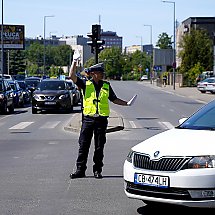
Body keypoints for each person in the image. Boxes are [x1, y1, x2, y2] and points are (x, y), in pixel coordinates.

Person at [69, 50, 135, 179]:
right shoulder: (85, 84)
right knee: (83, 145)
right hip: (88, 120)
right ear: (94, 74)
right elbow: (72, 75)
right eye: (100, 73)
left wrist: (127, 104)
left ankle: (97, 170)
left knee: (99, 147)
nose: (103, 74)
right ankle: (80, 170)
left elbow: (114, 99)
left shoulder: (106, 85)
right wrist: (74, 61)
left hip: (101, 121)